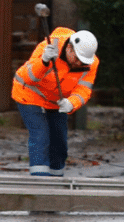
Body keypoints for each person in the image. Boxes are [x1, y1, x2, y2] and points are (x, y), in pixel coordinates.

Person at [12, 27, 100, 176]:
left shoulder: (91, 63)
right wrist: (44, 61)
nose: (79, 63)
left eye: (83, 61)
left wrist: (71, 103)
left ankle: (56, 179)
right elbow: (29, 78)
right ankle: (40, 181)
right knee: (40, 135)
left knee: (59, 141)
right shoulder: (49, 46)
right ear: (70, 48)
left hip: (56, 102)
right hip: (30, 94)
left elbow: (83, 90)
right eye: (77, 58)